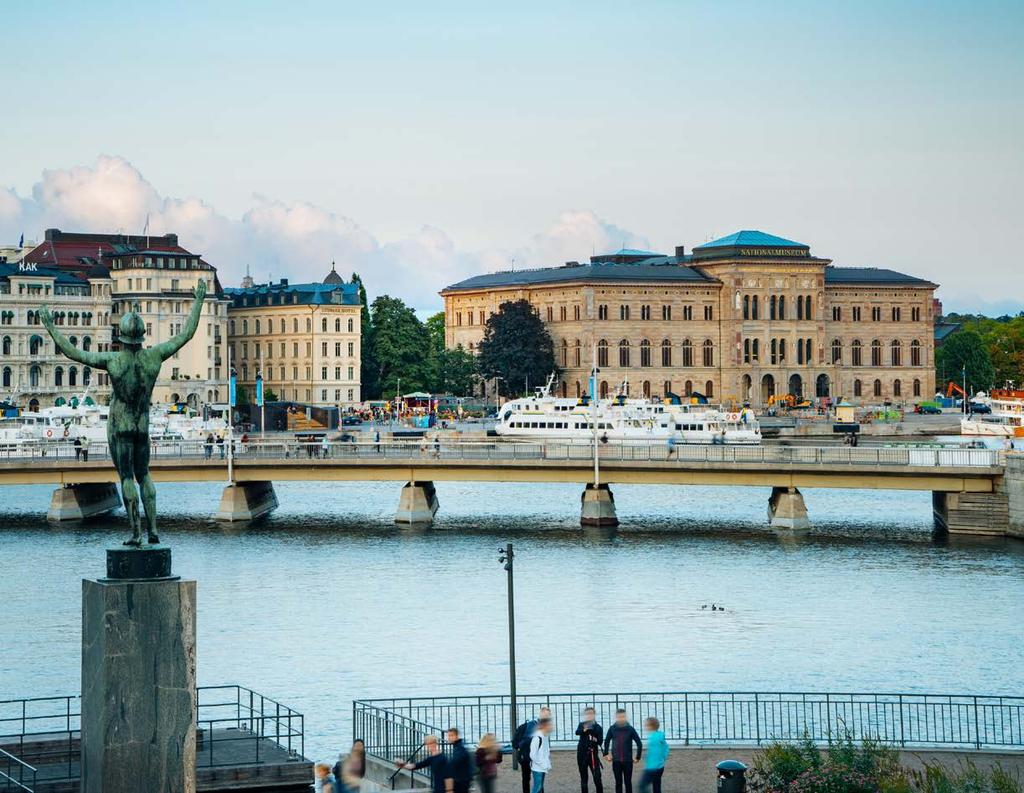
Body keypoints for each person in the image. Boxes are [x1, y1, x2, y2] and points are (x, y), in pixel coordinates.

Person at [514, 706, 552, 793]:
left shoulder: (537, 725)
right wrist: (542, 762)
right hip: (530, 755)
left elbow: (544, 746)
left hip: (526, 754)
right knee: (536, 782)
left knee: (528, 778)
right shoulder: (538, 727)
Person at [603, 709, 642, 793]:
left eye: (623, 716)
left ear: (626, 717)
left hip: (628, 761)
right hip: (616, 761)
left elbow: (639, 743)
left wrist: (638, 757)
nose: (621, 718)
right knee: (618, 783)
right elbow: (606, 741)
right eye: (619, 717)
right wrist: (606, 754)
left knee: (628, 783)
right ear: (616, 717)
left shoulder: (630, 729)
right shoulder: (612, 728)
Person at [576, 707, 604, 793]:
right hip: (582, 754)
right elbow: (577, 732)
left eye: (591, 714)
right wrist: (584, 730)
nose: (589, 716)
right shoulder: (582, 724)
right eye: (587, 714)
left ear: (594, 715)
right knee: (584, 778)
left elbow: (600, 741)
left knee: (597, 777)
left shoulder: (598, 727)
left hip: (593, 755)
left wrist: (593, 735)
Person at [638, 718, 667, 793]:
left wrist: (647, 758)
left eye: (646, 725)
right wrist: (662, 759)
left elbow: (654, 753)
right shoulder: (660, 735)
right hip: (660, 766)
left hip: (652, 767)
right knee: (656, 786)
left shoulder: (653, 738)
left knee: (642, 786)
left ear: (651, 726)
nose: (645, 726)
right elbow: (666, 749)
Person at [445, 727, 474, 793]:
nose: (449, 738)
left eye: (451, 735)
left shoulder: (460, 748)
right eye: (448, 736)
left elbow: (455, 761)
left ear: (456, 736)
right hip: (460, 779)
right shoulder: (457, 747)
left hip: (462, 780)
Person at [529, 717, 553, 793]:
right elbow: (532, 755)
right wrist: (542, 764)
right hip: (538, 768)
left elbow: (545, 752)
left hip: (542, 767)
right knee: (537, 788)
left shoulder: (544, 737)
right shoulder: (537, 738)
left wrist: (546, 764)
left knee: (539, 787)